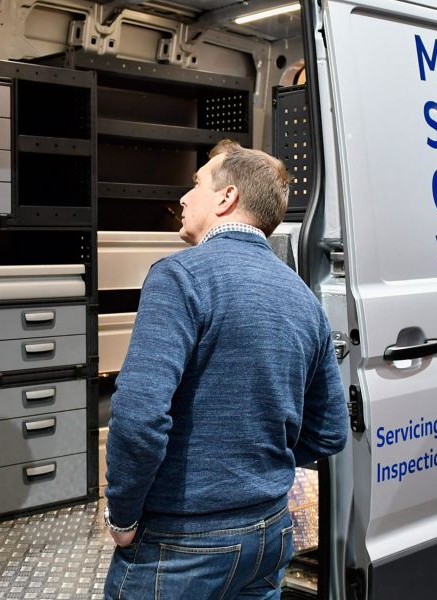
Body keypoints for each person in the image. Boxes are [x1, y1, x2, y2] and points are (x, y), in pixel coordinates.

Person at [103, 140, 349, 599]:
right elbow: (329, 432)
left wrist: (122, 514)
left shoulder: (179, 277)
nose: (183, 198)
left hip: (182, 543)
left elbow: (138, 416)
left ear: (226, 197)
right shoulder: (302, 298)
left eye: (195, 184)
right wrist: (252, 467)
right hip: (269, 534)